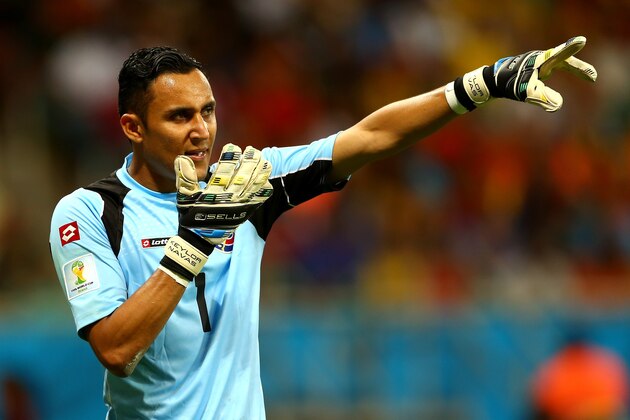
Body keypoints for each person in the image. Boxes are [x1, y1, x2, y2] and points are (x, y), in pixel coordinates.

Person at [49, 36, 596, 419]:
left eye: (208, 111)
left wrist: (476, 86)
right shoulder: (89, 214)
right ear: (131, 127)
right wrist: (192, 243)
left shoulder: (245, 185)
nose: (202, 130)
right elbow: (116, 350)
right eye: (180, 116)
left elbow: (369, 137)